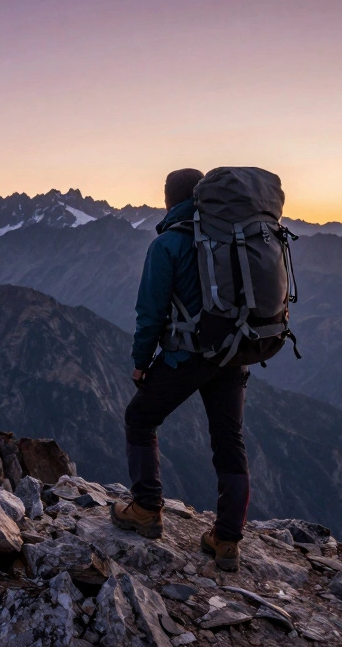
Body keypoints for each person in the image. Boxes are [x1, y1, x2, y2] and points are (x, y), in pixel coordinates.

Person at [109, 168, 252, 572]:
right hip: (234, 352)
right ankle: (226, 540)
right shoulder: (231, 236)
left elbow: (150, 313)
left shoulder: (168, 243)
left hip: (189, 355)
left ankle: (147, 509)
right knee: (229, 439)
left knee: (140, 417)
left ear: (169, 198)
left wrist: (141, 363)